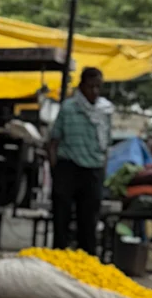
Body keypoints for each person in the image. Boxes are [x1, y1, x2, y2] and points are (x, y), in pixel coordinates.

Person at [47, 66, 113, 256]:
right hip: (68, 167)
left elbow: (106, 145)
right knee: (61, 218)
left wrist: (102, 171)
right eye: (91, 87)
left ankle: (87, 260)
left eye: (98, 87)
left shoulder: (105, 111)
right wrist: (55, 170)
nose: (94, 91)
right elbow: (53, 141)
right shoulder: (68, 108)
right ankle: (59, 257)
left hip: (93, 170)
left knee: (89, 221)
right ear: (82, 86)